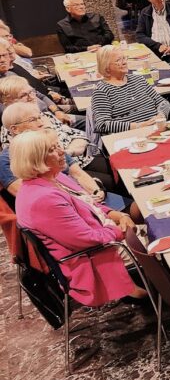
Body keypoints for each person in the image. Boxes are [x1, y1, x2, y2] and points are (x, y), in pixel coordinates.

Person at [12, 130, 147, 306]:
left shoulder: (56, 177)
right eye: (52, 150)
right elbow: (86, 239)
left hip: (104, 235)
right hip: (97, 254)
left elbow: (89, 204)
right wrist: (120, 230)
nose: (62, 151)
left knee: (155, 215)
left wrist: (118, 215)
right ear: (35, 161)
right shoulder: (42, 200)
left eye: (57, 146)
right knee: (165, 238)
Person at [90, 45, 170, 134]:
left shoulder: (138, 79)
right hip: (130, 135)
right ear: (106, 67)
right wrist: (138, 126)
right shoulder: (101, 91)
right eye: (118, 60)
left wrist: (161, 115)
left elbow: (162, 102)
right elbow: (102, 124)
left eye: (124, 58)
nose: (124, 62)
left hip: (157, 129)